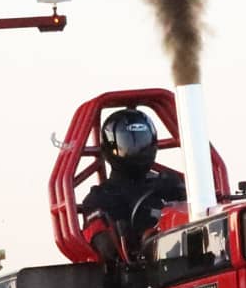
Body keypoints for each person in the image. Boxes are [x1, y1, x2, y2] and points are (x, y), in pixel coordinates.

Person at [78, 108, 185, 262]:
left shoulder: (169, 184)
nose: (136, 148)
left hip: (189, 258)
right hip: (141, 274)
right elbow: (106, 249)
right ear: (110, 147)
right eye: (127, 142)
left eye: (142, 140)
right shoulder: (100, 198)